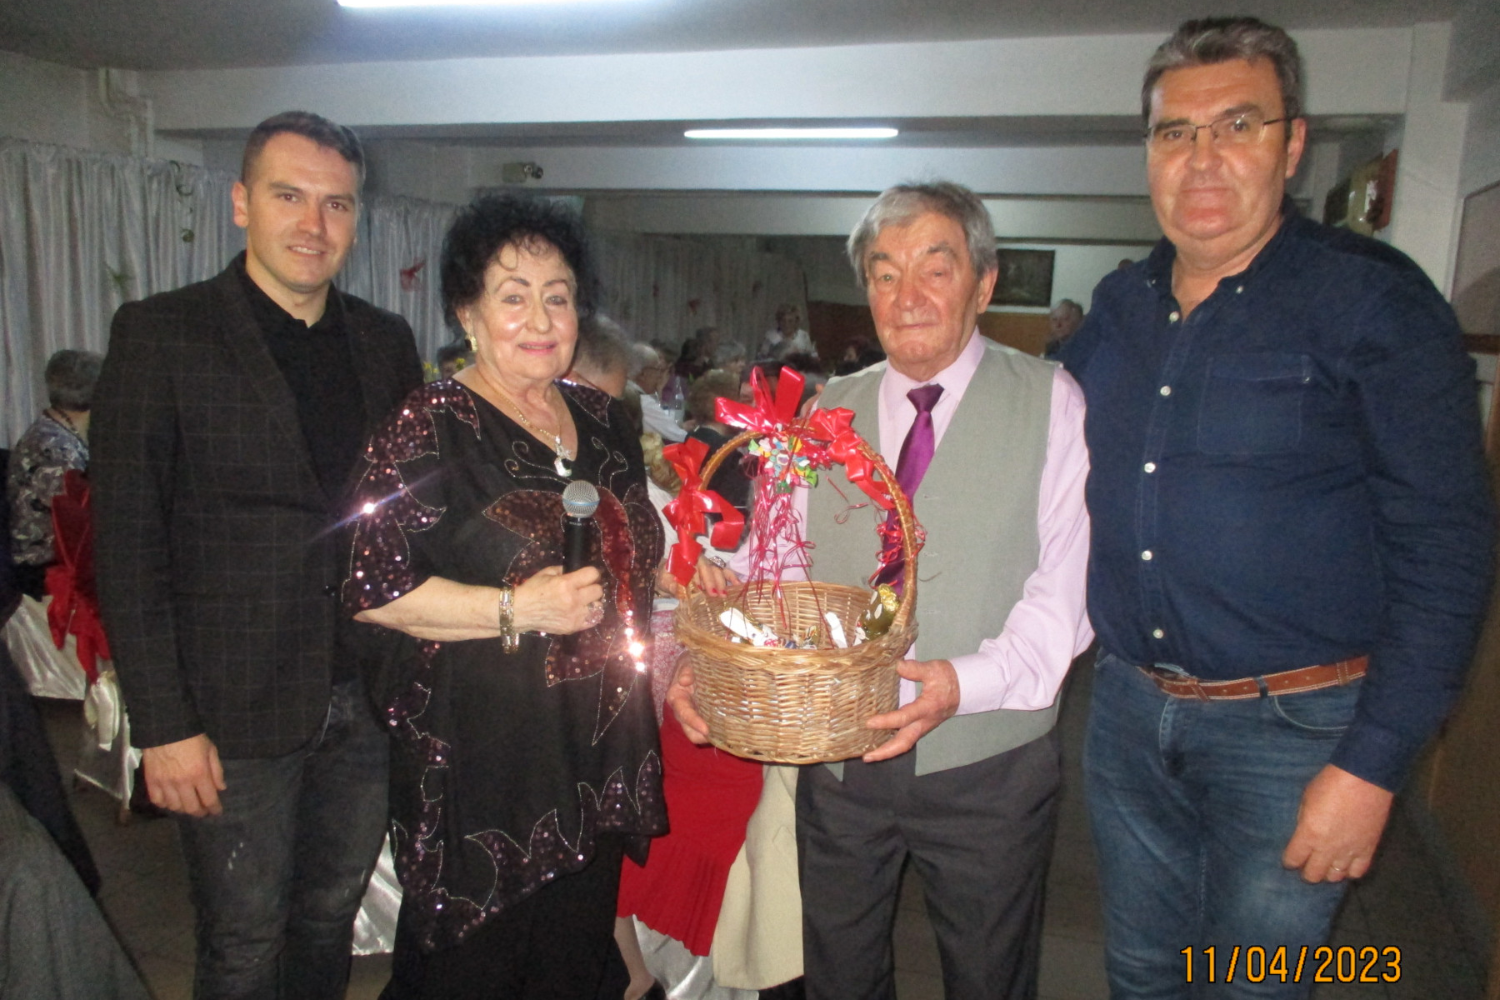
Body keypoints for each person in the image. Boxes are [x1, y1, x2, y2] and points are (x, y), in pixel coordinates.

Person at [1055, 18, 1495, 999]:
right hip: (1127, 713)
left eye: (1237, 124)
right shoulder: (1118, 308)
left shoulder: (1374, 303)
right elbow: (1043, 461)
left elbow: (1447, 548)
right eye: (1175, 132)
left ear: (1292, 145)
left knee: (1254, 984)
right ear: (1148, 151)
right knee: (1141, 974)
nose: (1202, 156)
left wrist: (1373, 766)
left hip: (1296, 731)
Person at [670, 181, 1093, 999]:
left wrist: (961, 684)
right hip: (841, 760)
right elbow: (777, 570)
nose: (908, 296)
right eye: (884, 273)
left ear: (984, 283)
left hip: (987, 761)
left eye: (936, 268)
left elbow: (1062, 592)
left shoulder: (1050, 401)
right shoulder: (829, 409)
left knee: (989, 978)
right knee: (840, 975)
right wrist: (713, 662)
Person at [91, 110, 423, 999]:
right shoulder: (161, 334)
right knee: (242, 941)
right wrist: (163, 726)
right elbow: (127, 546)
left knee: (328, 916)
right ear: (241, 203)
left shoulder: (385, 342)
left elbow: (410, 514)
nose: (314, 225)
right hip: (228, 708)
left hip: (365, 694)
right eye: (289, 197)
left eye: (336, 204)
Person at [344, 192, 666, 999]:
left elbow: (627, 547)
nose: (540, 319)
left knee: (569, 964)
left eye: (558, 296)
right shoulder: (431, 427)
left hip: (593, 746)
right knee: (472, 974)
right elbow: (369, 586)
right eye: (513, 296)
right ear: (468, 313)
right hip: (483, 762)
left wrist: (679, 580)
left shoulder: (604, 419)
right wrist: (518, 610)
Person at [6, 349, 103, 598]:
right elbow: (82, 522)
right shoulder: (54, 447)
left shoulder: (56, 432)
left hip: (59, 562)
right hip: (44, 571)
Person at [630, 342, 688, 443]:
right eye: (657, 370)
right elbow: (679, 436)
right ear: (643, 374)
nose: (658, 376)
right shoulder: (643, 402)